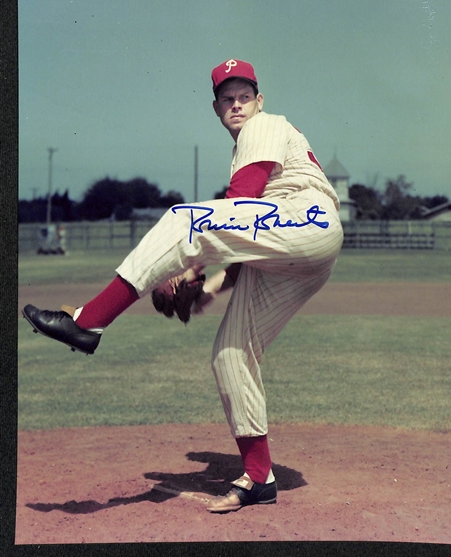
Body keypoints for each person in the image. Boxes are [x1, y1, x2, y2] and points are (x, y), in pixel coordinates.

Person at [23, 59, 344, 513]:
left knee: (184, 221)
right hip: (298, 247)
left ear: (260, 101)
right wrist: (208, 289)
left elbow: (241, 203)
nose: (237, 105)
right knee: (232, 353)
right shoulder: (248, 139)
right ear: (216, 108)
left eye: (245, 96)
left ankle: (88, 322)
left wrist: (189, 269)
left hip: (308, 217)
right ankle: (259, 477)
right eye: (228, 99)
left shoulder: (265, 126)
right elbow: (247, 237)